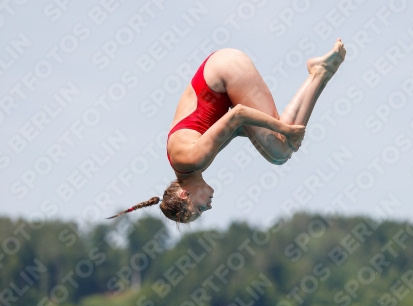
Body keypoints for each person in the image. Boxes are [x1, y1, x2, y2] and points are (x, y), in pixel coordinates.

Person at [108, 39, 346, 223]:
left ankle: (320, 73)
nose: (209, 207)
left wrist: (284, 129)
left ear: (184, 195)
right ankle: (320, 74)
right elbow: (237, 128)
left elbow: (238, 114)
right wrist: (281, 135)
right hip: (221, 68)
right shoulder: (189, 165)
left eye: (199, 208)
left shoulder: (193, 159)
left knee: (279, 149)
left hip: (224, 71)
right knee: (279, 147)